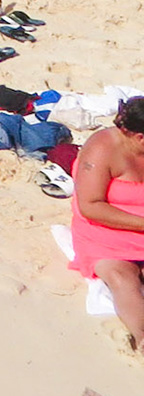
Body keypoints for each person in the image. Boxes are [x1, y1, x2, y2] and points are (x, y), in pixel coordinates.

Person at [67, 95, 144, 352]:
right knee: (122, 277)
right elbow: (91, 206)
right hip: (105, 228)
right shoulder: (102, 149)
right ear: (140, 138)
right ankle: (142, 336)